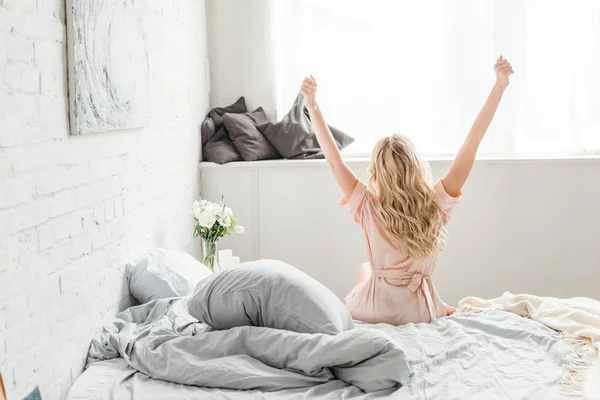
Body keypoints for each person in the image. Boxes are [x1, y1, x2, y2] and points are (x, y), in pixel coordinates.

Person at [300, 56, 514, 325]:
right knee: (404, 284)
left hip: (373, 310)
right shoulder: (436, 203)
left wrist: (313, 106)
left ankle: (438, 306)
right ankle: (441, 306)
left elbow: (334, 161)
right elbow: (471, 147)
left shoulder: (367, 205)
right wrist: (499, 87)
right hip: (419, 310)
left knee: (365, 269)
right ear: (416, 166)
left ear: (377, 172)